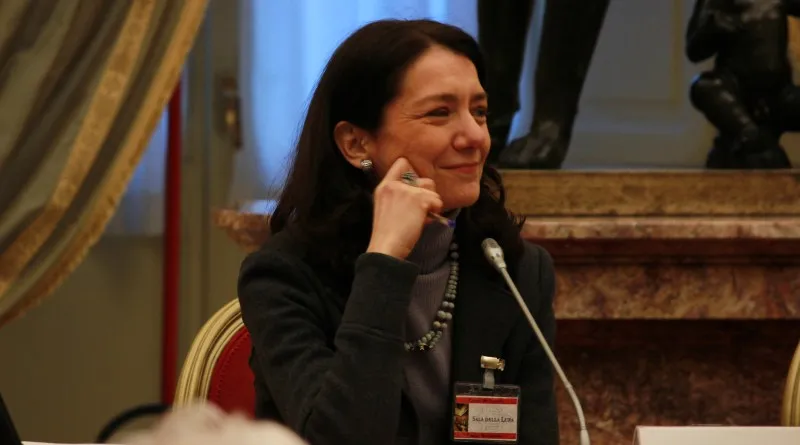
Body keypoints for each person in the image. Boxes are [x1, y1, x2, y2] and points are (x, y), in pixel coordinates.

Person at [238, 19, 559, 445]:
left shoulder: (514, 269)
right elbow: (342, 438)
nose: (475, 137)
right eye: (440, 113)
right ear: (356, 144)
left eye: (479, 111)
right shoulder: (284, 275)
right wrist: (385, 260)